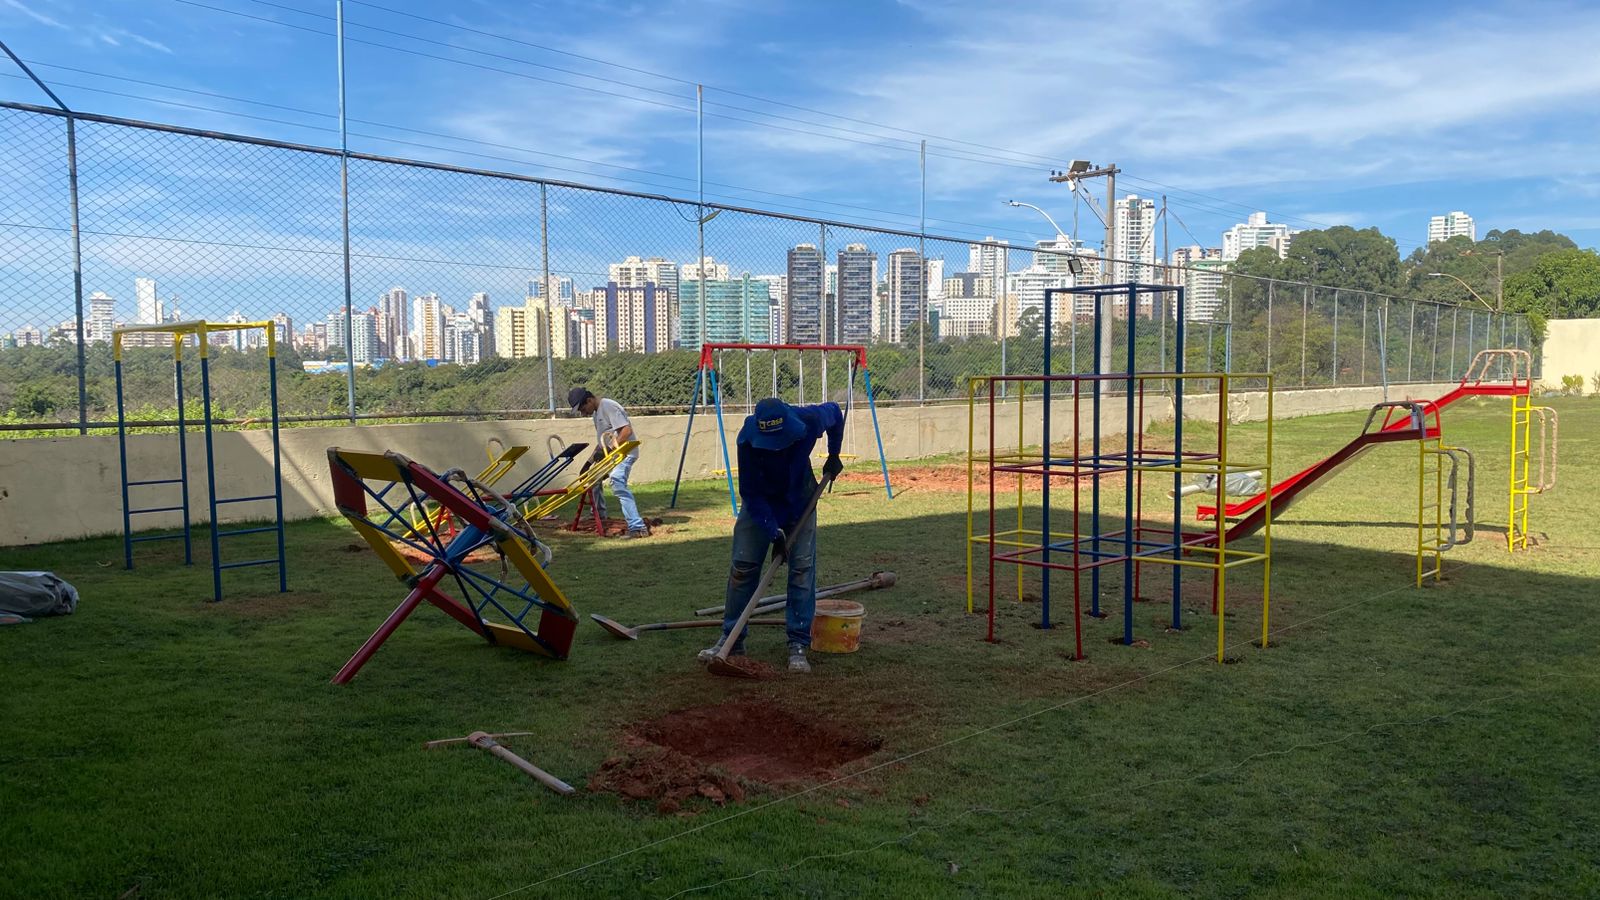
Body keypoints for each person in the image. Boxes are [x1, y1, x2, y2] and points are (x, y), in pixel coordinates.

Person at [699, 397, 844, 674]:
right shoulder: (747, 441)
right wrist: (773, 531)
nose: (777, 448)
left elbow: (836, 413)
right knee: (743, 568)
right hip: (761, 504)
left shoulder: (809, 420)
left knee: (801, 569)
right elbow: (751, 493)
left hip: (800, 499)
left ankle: (798, 644)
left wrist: (833, 454)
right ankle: (731, 640)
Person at [568, 387, 648, 538]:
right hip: (613, 455)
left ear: (589, 400)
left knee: (617, 482)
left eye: (583, 409)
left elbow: (626, 431)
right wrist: (588, 463)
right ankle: (598, 515)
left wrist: (610, 449)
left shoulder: (609, 406)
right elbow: (602, 442)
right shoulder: (596, 413)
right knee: (593, 479)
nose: (583, 413)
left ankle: (638, 528)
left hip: (625, 453)